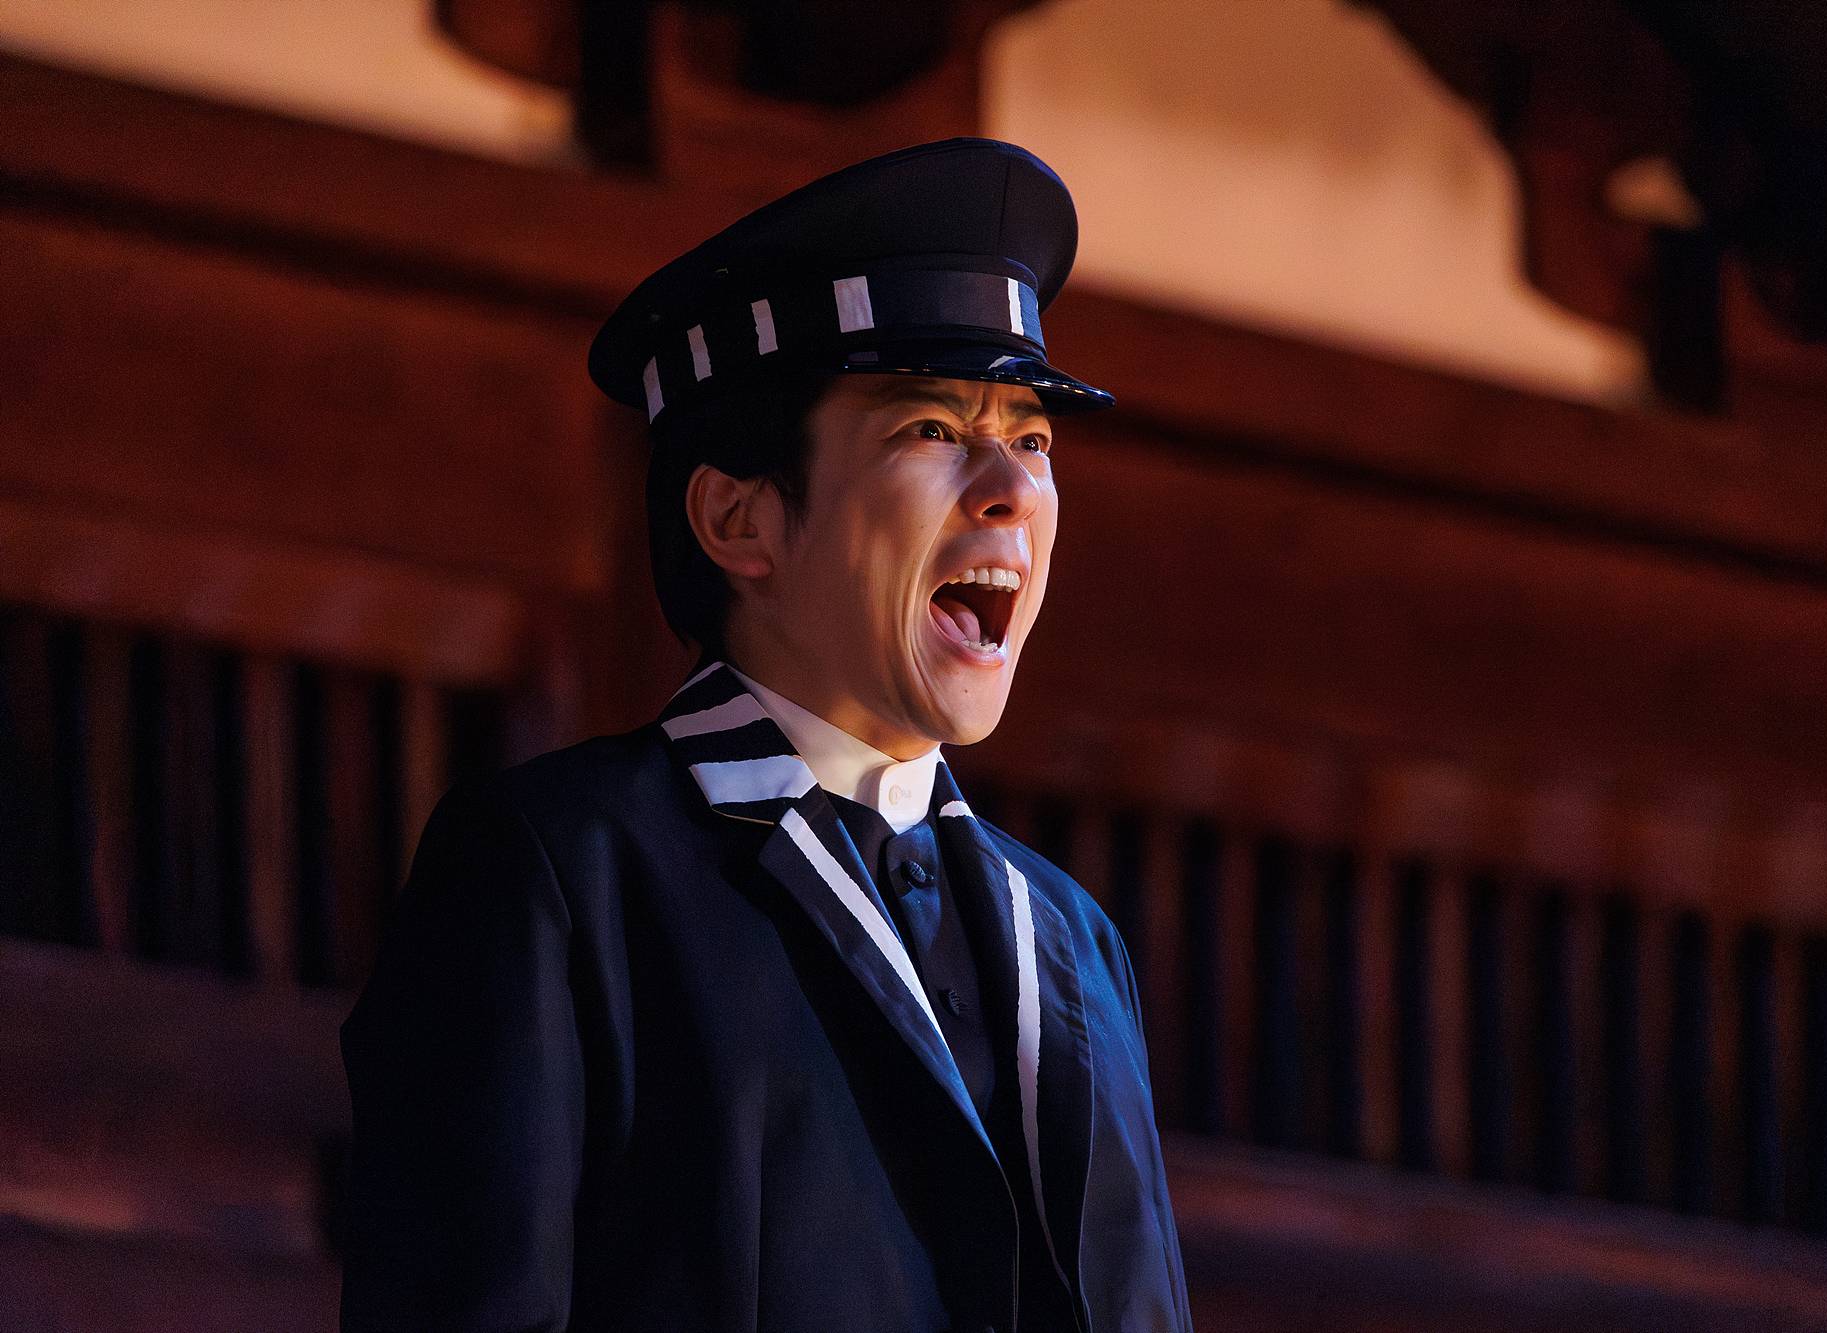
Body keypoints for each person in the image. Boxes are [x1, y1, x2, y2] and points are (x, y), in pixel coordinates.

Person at [339, 137, 1192, 1333]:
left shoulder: (1073, 940)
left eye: (1033, 438)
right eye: (931, 429)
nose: (1010, 487)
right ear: (737, 518)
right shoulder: (559, 874)